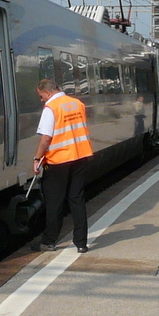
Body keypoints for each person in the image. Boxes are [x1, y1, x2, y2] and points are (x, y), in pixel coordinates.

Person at [32, 78, 94, 253]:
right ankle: (81, 243)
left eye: (41, 96)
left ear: (48, 92)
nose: (41, 99)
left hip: (58, 160)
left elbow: (45, 138)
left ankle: (49, 241)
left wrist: (37, 159)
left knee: (55, 202)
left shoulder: (51, 108)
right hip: (80, 156)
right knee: (77, 199)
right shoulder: (76, 103)